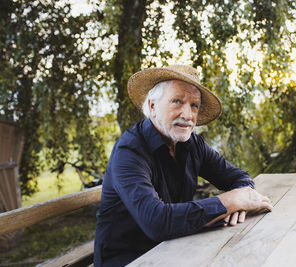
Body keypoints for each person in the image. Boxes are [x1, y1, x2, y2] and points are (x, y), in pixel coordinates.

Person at [94, 65, 273, 266]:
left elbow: (238, 178)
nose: (188, 115)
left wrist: (241, 200)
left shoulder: (192, 144)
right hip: (130, 260)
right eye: (177, 101)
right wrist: (229, 202)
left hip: (176, 248)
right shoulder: (130, 151)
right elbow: (157, 222)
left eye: (194, 105)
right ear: (152, 107)